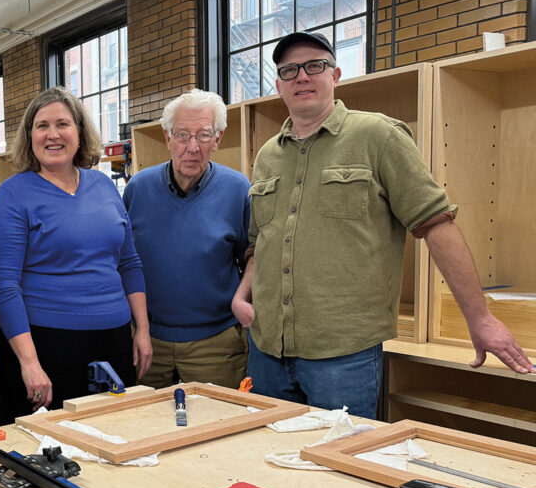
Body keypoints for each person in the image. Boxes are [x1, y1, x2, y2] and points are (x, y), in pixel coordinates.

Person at [232, 31, 535, 419]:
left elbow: (437, 224)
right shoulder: (266, 156)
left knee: (339, 467)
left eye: (315, 66)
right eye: (289, 70)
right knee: (268, 462)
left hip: (343, 354)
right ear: (278, 85)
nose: (302, 77)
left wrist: (480, 318)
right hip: (266, 348)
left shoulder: (379, 136)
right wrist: (242, 296)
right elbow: (262, 240)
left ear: (335, 75)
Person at [0, 86, 152, 422]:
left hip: (114, 340)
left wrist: (143, 330)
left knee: (117, 435)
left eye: (62, 124)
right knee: (53, 453)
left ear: (79, 132)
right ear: (29, 136)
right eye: (42, 126)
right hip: (46, 346)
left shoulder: (104, 186)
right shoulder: (12, 195)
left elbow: (129, 262)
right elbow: (4, 286)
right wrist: (29, 363)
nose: (53, 134)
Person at [123, 89, 250, 389]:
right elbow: (122, 261)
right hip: (146, 339)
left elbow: (253, 256)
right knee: (144, 428)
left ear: (218, 139)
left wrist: (240, 301)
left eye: (204, 135)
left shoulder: (238, 189)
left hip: (216, 345)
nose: (192, 147)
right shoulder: (138, 189)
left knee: (217, 429)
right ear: (167, 137)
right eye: (182, 135)